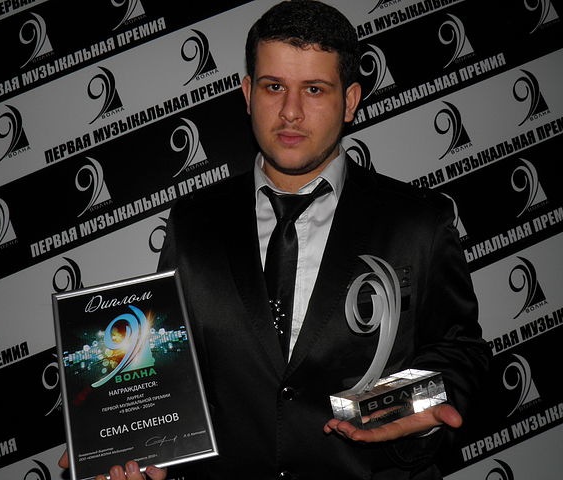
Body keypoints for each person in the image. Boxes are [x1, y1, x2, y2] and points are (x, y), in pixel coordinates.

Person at [60, 1, 489, 478]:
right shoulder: (194, 221)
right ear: (248, 94)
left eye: (314, 89)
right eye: (273, 87)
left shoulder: (417, 221)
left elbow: (459, 350)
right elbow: (168, 364)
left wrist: (407, 406)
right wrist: (124, 443)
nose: (290, 111)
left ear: (350, 101)